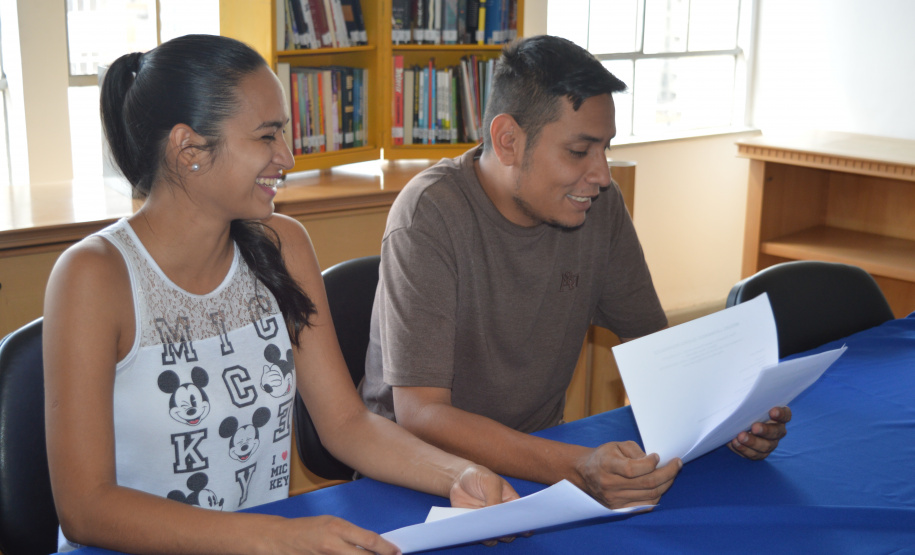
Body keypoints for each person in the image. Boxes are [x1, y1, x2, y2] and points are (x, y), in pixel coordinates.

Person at [43, 34, 517, 555]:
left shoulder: (283, 244)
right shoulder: (93, 275)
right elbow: (85, 507)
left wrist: (459, 474)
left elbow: (346, 423)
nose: (288, 156)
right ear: (188, 149)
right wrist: (278, 537)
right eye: (267, 137)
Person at [360, 35, 792, 509]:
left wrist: (730, 417)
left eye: (605, 149)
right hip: (415, 474)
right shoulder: (429, 216)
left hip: (533, 463)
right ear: (508, 141)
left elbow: (654, 347)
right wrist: (574, 467)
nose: (602, 175)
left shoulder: (598, 208)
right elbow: (421, 414)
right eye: (579, 150)